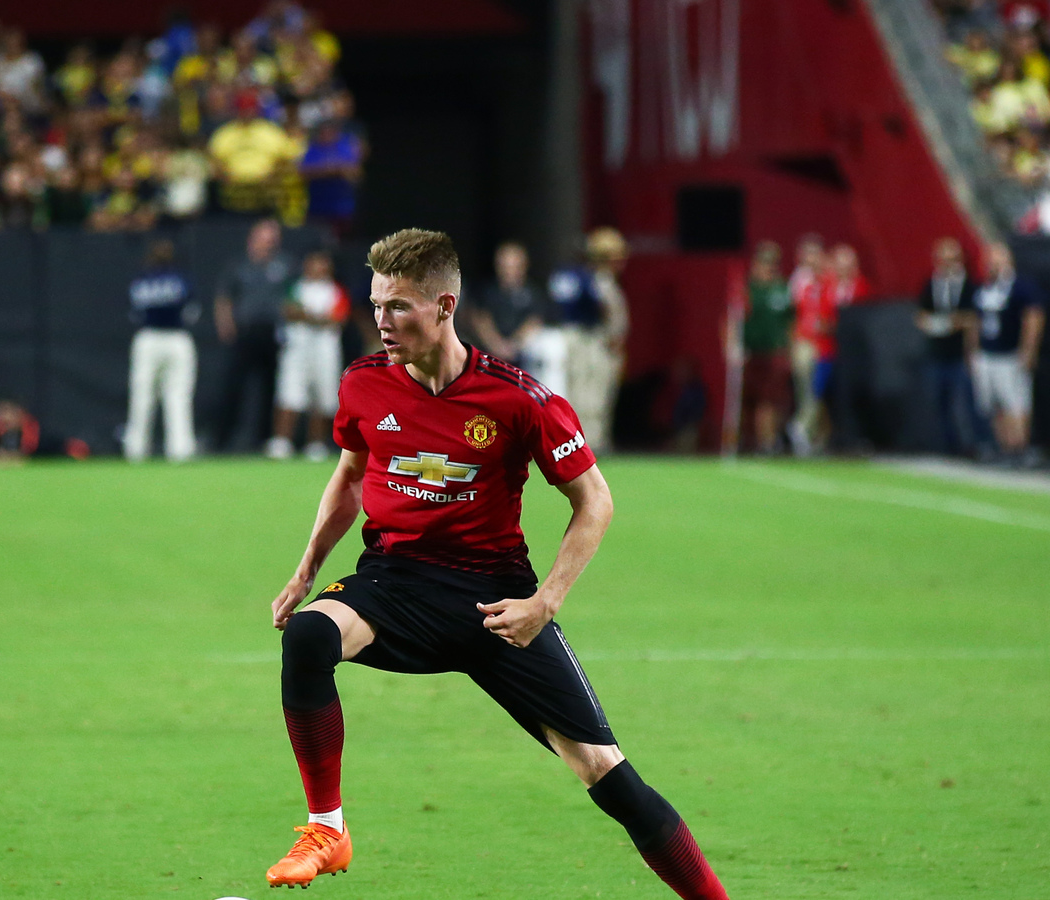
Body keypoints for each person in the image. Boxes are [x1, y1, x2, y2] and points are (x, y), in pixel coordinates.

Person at [264, 228, 728, 899]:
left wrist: (546, 602)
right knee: (309, 635)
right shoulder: (363, 382)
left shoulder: (518, 399)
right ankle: (326, 828)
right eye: (376, 305)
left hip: (495, 602)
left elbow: (595, 501)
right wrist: (306, 571)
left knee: (609, 776)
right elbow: (350, 475)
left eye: (399, 307)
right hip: (393, 583)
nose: (382, 322)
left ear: (445, 306)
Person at [214, 218, 294, 452]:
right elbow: (224, 298)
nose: (269, 243)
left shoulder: (284, 265)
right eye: (264, 238)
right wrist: (226, 325)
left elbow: (293, 296)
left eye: (272, 239)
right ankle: (222, 439)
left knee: (271, 389)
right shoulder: (239, 266)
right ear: (253, 239)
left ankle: (264, 439)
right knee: (233, 387)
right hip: (245, 331)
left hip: (273, 333)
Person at [547, 227, 630, 453]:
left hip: (597, 341)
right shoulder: (593, 280)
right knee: (588, 395)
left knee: (597, 395)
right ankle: (589, 444)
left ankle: (594, 441)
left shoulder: (597, 279)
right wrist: (613, 337)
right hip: (592, 341)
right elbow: (604, 311)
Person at [268, 248, 349, 461]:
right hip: (297, 348)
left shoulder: (335, 291)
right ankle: (281, 441)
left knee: (323, 396)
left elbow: (337, 318)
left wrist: (307, 315)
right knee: (289, 393)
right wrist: (316, 317)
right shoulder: (296, 288)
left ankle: (316, 443)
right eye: (314, 262)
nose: (318, 267)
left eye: (322, 263)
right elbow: (289, 311)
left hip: (325, 351)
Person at [968, 243, 1045, 466]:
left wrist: (1028, 350)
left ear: (1008, 261)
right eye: (989, 260)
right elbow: (975, 322)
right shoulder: (984, 288)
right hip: (986, 354)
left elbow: (1034, 318)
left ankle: (1020, 447)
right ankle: (1005, 447)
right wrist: (972, 351)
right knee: (994, 405)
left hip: (1010, 355)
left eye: (996, 260)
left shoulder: (1020, 287)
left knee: (1016, 404)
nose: (992, 264)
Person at [123, 239, 198, 463]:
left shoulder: (141, 280)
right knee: (177, 396)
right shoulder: (181, 279)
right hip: (176, 337)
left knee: (143, 395)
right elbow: (193, 312)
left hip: (149, 337)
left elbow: (134, 313)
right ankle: (180, 450)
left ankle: (136, 450)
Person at [915, 237, 984, 456]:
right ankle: (948, 446)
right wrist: (941, 323)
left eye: (952, 259)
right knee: (940, 402)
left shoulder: (971, 286)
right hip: (937, 353)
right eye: (943, 259)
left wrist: (956, 323)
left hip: (962, 353)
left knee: (968, 402)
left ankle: (974, 445)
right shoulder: (931, 284)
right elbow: (922, 315)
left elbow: (973, 318)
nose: (947, 263)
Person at [738, 241, 793, 454]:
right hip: (751, 352)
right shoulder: (746, 289)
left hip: (775, 352)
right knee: (748, 399)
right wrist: (732, 347)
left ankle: (767, 442)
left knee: (769, 400)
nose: (769, 267)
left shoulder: (782, 289)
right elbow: (731, 319)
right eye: (764, 262)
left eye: (773, 263)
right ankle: (746, 439)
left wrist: (790, 347)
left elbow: (792, 320)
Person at [466, 241, 546, 369]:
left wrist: (514, 345)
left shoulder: (533, 293)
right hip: (489, 354)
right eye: (504, 265)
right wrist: (496, 345)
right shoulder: (485, 291)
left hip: (522, 356)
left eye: (514, 266)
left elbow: (534, 321)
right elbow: (480, 319)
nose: (508, 271)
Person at [786, 235, 831, 455]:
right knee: (808, 388)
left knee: (820, 392)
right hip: (805, 342)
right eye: (808, 253)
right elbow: (792, 314)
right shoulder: (799, 281)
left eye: (815, 253)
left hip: (826, 345)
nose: (811, 258)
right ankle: (802, 427)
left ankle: (813, 433)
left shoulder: (827, 278)